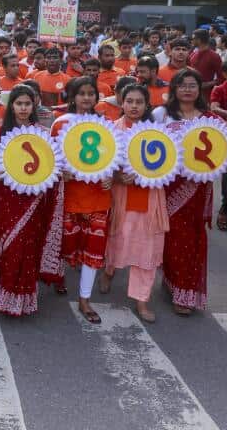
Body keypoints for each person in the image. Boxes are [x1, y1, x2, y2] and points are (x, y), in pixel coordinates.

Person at [99, 83, 167, 322]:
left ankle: (141, 300)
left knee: (147, 248)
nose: (134, 106)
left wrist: (148, 174)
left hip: (149, 199)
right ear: (122, 102)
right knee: (117, 240)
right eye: (129, 101)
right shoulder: (111, 131)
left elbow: (169, 167)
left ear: (147, 105)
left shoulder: (158, 133)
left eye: (139, 102)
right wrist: (118, 177)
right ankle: (109, 271)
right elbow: (101, 165)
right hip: (121, 197)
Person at [0, 84, 59, 317]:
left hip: (34, 200)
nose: (23, 108)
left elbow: (51, 166)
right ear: (11, 106)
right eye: (18, 104)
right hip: (8, 199)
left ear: (34, 106)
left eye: (27, 104)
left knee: (28, 245)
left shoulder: (42, 134)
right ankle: (7, 295)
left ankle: (24, 297)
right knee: (11, 247)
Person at [151, 69, 214, 315]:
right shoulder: (161, 115)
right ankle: (171, 279)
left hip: (196, 189)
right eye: (182, 85)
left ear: (200, 89)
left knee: (192, 239)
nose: (187, 89)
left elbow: (222, 151)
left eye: (192, 85)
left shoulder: (210, 119)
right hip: (168, 186)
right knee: (170, 236)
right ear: (174, 88)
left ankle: (184, 291)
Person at [53, 77, 111, 321]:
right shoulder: (60, 123)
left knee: (93, 251)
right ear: (72, 97)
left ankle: (84, 300)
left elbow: (114, 157)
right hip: (69, 197)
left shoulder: (106, 125)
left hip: (98, 198)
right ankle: (57, 277)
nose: (87, 98)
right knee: (64, 245)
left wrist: (112, 176)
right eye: (82, 93)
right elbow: (50, 159)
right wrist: (60, 171)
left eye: (91, 93)